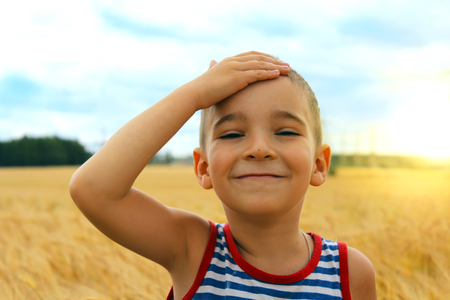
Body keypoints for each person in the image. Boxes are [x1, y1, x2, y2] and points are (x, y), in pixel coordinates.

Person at [69, 51, 377, 299]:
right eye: (231, 134)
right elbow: (94, 188)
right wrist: (194, 95)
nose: (258, 149)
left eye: (285, 131)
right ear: (204, 168)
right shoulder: (192, 251)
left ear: (319, 165)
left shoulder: (350, 273)